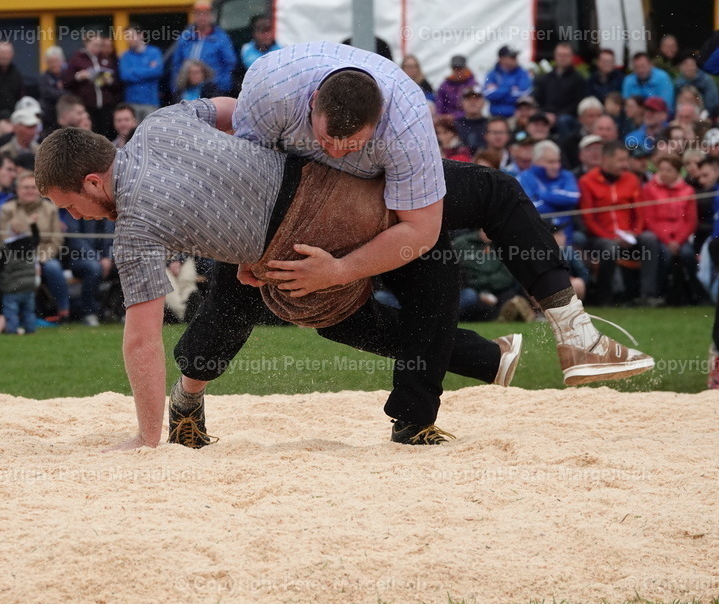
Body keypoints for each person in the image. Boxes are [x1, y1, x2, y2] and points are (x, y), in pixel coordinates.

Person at [35, 108, 521, 448]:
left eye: (70, 206)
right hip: (317, 185)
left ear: (93, 182)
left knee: (332, 311)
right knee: (460, 203)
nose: (79, 217)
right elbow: (242, 111)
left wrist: (146, 437)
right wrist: (243, 183)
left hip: (300, 226)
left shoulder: (135, 225)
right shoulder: (161, 122)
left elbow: (142, 341)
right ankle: (503, 349)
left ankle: (521, 340)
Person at [226, 42, 652, 387]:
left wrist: (340, 270)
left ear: (380, 122)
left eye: (351, 143)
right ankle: (189, 388)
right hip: (308, 204)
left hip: (379, 190)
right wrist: (249, 254)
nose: (336, 152)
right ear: (313, 102)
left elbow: (421, 229)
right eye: (326, 139)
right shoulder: (268, 86)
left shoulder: (407, 115)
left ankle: (573, 334)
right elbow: (251, 179)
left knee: (480, 212)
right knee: (323, 309)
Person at [578, 141, 660, 306]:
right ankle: (606, 298)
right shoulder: (587, 181)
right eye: (620, 160)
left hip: (629, 234)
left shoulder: (632, 180)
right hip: (601, 237)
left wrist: (634, 233)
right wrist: (611, 236)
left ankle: (647, 294)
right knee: (610, 248)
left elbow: (639, 212)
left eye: (626, 160)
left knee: (650, 239)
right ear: (606, 159)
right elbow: (588, 219)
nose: (624, 165)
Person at [0, 170, 66, 323]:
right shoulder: (7, 210)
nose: (29, 191)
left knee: (54, 268)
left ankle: (64, 310)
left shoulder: (50, 209)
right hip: (17, 258)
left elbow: (56, 240)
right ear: (17, 190)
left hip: (45, 256)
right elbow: (3, 240)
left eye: (33, 187)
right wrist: (28, 261)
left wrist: (41, 259)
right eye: (25, 187)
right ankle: (17, 315)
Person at [641, 154, 697, 302]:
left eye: (669, 170)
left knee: (688, 255)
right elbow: (649, 219)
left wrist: (677, 241)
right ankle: (660, 294)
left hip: (680, 237)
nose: (664, 173)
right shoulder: (649, 189)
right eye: (662, 170)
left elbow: (691, 221)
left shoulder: (688, 191)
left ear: (678, 172)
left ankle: (695, 294)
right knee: (664, 255)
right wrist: (667, 240)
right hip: (660, 236)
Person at [518, 141, 580, 245]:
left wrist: (542, 195)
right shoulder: (524, 178)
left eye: (558, 161)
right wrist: (561, 205)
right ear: (537, 161)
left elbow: (573, 197)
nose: (556, 166)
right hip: (537, 237)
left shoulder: (566, 175)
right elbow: (530, 208)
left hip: (567, 234)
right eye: (551, 162)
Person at [171, 0, 237, 97]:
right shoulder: (185, 37)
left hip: (212, 90)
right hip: (188, 91)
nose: (202, 18)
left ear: (211, 16)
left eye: (205, 14)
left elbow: (230, 64)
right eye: (198, 14)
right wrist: (177, 87)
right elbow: (176, 64)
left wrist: (220, 86)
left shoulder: (221, 38)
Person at [64, 32, 123, 137]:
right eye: (95, 45)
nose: (98, 48)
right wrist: (79, 76)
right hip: (87, 106)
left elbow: (117, 83)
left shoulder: (106, 59)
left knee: (107, 135)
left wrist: (109, 81)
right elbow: (66, 82)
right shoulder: (76, 58)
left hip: (106, 106)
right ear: (86, 43)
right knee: (90, 135)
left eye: (100, 45)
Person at [532, 43, 586, 134]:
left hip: (567, 117)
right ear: (555, 56)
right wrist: (544, 114)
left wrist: (556, 116)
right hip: (546, 114)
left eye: (565, 55)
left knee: (563, 121)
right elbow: (538, 99)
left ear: (572, 57)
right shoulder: (546, 78)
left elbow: (577, 103)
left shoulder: (578, 79)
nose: (562, 58)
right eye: (560, 55)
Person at [119, 26, 164, 120]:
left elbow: (157, 71)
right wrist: (148, 69)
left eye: (131, 36)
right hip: (132, 104)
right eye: (127, 37)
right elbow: (125, 76)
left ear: (141, 35)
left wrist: (134, 71)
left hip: (151, 102)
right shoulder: (125, 56)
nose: (128, 40)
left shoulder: (154, 52)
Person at [484, 45, 533, 118]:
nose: (515, 59)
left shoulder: (523, 73)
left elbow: (524, 93)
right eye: (512, 57)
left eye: (515, 57)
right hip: (494, 116)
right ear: (501, 58)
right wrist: (509, 88)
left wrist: (498, 89)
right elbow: (488, 94)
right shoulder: (492, 74)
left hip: (516, 117)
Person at [38, 46, 67, 133]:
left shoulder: (68, 76)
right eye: (51, 62)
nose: (54, 65)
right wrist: (63, 93)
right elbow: (48, 93)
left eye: (56, 61)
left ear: (62, 61)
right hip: (50, 116)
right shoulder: (43, 78)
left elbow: (74, 92)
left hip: (66, 114)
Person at [455, 85, 488, 153]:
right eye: (468, 99)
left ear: (483, 102)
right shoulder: (454, 125)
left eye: (477, 98)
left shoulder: (491, 125)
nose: (472, 102)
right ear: (462, 103)